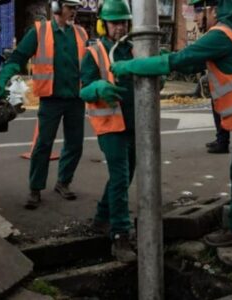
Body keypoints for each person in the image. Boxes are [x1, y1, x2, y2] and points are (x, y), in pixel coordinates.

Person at [111, 0, 232, 272]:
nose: (192, 15)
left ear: (213, 8)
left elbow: (178, 60)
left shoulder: (221, 35)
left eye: (196, 9)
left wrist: (131, 66)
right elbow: (192, 63)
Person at [0, 0, 88, 209]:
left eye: (75, 8)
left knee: (75, 145)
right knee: (43, 145)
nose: (73, 12)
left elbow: (90, 64)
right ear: (57, 7)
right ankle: (35, 188)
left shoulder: (81, 34)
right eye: (69, 7)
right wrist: (4, 77)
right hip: (51, 99)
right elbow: (18, 57)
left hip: (76, 99)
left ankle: (63, 182)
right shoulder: (40, 31)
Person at [80, 0, 136, 262]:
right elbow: (83, 89)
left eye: (124, 22)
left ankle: (101, 219)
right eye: (115, 22)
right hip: (111, 125)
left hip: (135, 125)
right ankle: (120, 236)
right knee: (121, 177)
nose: (120, 27)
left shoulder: (136, 50)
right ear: (103, 24)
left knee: (124, 175)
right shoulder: (94, 53)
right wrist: (98, 88)